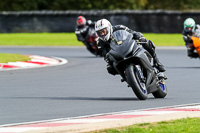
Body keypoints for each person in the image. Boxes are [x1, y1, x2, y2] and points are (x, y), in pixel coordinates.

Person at [95, 18, 165, 75]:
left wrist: (139, 36)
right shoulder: (100, 42)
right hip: (118, 56)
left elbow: (132, 32)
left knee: (147, 42)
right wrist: (108, 59)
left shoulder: (119, 27)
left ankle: (157, 62)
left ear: (109, 27)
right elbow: (105, 55)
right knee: (110, 69)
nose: (102, 34)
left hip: (128, 46)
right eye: (99, 32)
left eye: (103, 31)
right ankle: (127, 76)